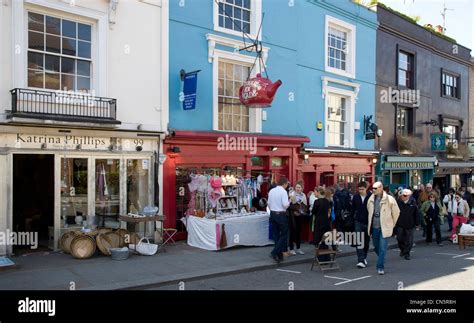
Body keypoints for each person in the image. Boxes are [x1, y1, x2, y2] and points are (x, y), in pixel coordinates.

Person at [367, 181, 400, 275]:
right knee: (376, 246)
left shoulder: (390, 199)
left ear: (381, 188)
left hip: (385, 227)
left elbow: (396, 212)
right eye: (372, 188)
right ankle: (382, 257)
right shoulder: (371, 198)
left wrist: (392, 224)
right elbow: (368, 209)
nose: (373, 190)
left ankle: (380, 267)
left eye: (375, 188)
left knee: (382, 248)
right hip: (374, 226)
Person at [268, 177, 290, 263]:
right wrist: (290, 201)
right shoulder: (283, 192)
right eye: (287, 184)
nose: (287, 186)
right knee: (284, 234)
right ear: (284, 184)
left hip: (273, 214)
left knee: (276, 235)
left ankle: (279, 255)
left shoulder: (272, 191)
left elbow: (269, 204)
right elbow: (285, 205)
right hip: (281, 214)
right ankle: (274, 252)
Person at [351, 181, 372, 268]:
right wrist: (351, 219)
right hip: (358, 221)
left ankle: (364, 257)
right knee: (359, 241)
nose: (360, 191)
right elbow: (352, 209)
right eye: (359, 189)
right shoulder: (355, 197)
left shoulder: (371, 197)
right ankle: (361, 260)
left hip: (368, 222)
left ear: (366, 188)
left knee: (366, 242)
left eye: (362, 189)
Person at [396, 189, 420, 260]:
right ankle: (402, 249)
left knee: (409, 240)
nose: (403, 196)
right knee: (399, 238)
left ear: (409, 196)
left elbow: (416, 214)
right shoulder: (398, 202)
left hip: (410, 224)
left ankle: (407, 253)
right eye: (402, 195)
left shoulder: (413, 203)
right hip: (400, 223)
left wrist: (417, 224)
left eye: (405, 195)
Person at [288, 181, 307, 255]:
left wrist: (302, 211)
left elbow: (305, 206)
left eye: (299, 187)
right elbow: (288, 206)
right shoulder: (291, 194)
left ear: (302, 188)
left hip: (300, 216)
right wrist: (294, 211)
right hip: (293, 216)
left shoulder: (304, 195)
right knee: (292, 232)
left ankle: (298, 248)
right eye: (296, 187)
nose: (298, 188)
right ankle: (291, 248)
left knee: (299, 232)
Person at [311, 188, 332, 258]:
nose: (314, 193)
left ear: (318, 192)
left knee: (319, 240)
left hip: (318, 222)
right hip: (326, 222)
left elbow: (313, 211)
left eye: (315, 191)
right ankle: (326, 257)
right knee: (324, 241)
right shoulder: (327, 201)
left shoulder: (317, 201)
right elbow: (329, 212)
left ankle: (320, 258)